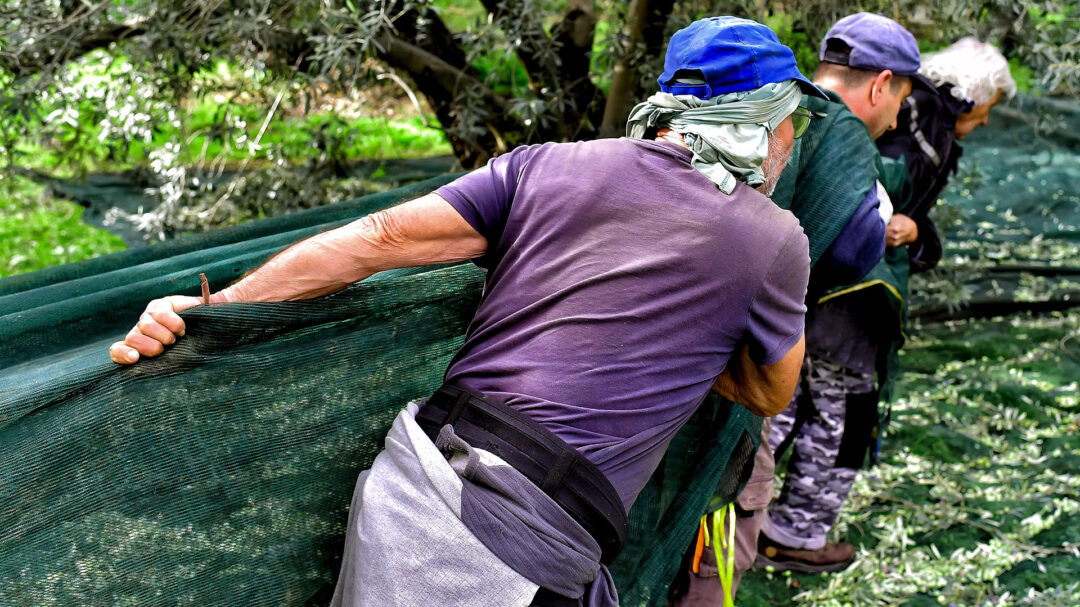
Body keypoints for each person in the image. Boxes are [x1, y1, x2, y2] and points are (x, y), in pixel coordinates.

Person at [110, 16, 821, 607]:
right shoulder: (771, 238)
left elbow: (378, 239)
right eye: (791, 120)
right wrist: (693, 332)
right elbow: (770, 388)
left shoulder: (545, 166)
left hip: (411, 484)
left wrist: (219, 308)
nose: (794, 141)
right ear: (756, 119)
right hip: (520, 541)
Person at [670, 12, 925, 604]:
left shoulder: (709, 122)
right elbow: (854, 246)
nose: (895, 117)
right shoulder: (840, 135)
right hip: (733, 372)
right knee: (722, 520)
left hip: (655, 364)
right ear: (882, 84)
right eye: (901, 99)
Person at [757, 30, 1018, 576]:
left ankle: (745, 513)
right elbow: (871, 198)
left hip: (811, 291)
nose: (895, 118)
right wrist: (897, 232)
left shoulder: (819, 110)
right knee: (842, 411)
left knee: (783, 399)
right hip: (848, 298)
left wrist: (916, 234)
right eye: (989, 108)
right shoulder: (913, 120)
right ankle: (790, 532)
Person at [877, 37, 1018, 271]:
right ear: (976, 92)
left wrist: (916, 233)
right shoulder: (920, 108)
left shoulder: (941, 128)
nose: (985, 121)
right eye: (988, 107)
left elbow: (911, 212)